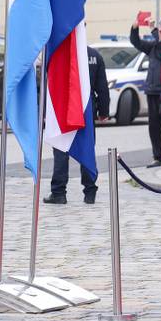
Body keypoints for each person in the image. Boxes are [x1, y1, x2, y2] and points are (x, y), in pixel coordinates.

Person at [44, 45, 110, 204]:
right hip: (86, 110)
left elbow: (51, 84)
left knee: (61, 150)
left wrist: (47, 111)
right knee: (86, 149)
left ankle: (59, 192)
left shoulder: (59, 53)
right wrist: (104, 111)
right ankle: (90, 191)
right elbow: (102, 88)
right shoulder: (94, 55)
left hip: (63, 109)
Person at [130, 14, 161, 168]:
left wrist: (154, 31)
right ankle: (157, 156)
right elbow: (136, 42)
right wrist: (135, 28)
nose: (159, 32)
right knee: (154, 126)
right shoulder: (153, 46)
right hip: (152, 90)